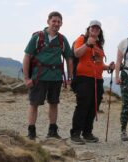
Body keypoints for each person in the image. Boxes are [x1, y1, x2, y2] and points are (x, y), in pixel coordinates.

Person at [23, 11, 73, 140]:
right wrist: (27, 78)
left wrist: (69, 77)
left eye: (58, 22)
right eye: (54, 21)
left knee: (54, 103)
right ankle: (31, 131)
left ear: (61, 23)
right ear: (48, 22)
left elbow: (69, 58)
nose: (56, 24)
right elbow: (27, 57)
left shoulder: (62, 39)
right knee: (34, 104)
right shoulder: (38, 37)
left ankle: (52, 131)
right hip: (38, 77)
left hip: (55, 78)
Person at [70, 20, 115, 145]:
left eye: (97, 28)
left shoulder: (99, 45)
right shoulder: (82, 39)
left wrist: (108, 67)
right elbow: (76, 53)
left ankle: (87, 133)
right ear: (89, 29)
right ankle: (75, 133)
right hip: (83, 78)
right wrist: (87, 44)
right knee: (83, 105)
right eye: (93, 27)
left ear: (100, 31)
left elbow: (99, 64)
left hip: (97, 80)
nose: (95, 29)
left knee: (93, 107)